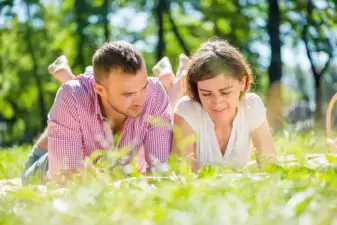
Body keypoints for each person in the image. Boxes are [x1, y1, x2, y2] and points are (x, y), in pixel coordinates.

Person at [22, 42, 190, 183]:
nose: (140, 99)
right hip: (44, 160)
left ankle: (72, 81)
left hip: (103, 157)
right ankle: (70, 86)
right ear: (99, 89)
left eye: (143, 86)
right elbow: (66, 179)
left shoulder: (154, 92)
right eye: (128, 94)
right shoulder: (71, 95)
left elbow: (159, 171)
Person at [172, 39, 277, 172]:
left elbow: (270, 165)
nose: (217, 102)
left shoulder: (252, 106)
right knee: (172, 100)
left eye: (225, 92)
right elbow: (182, 176)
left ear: (242, 83)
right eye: (206, 94)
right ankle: (180, 74)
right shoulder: (186, 110)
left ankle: (183, 70)